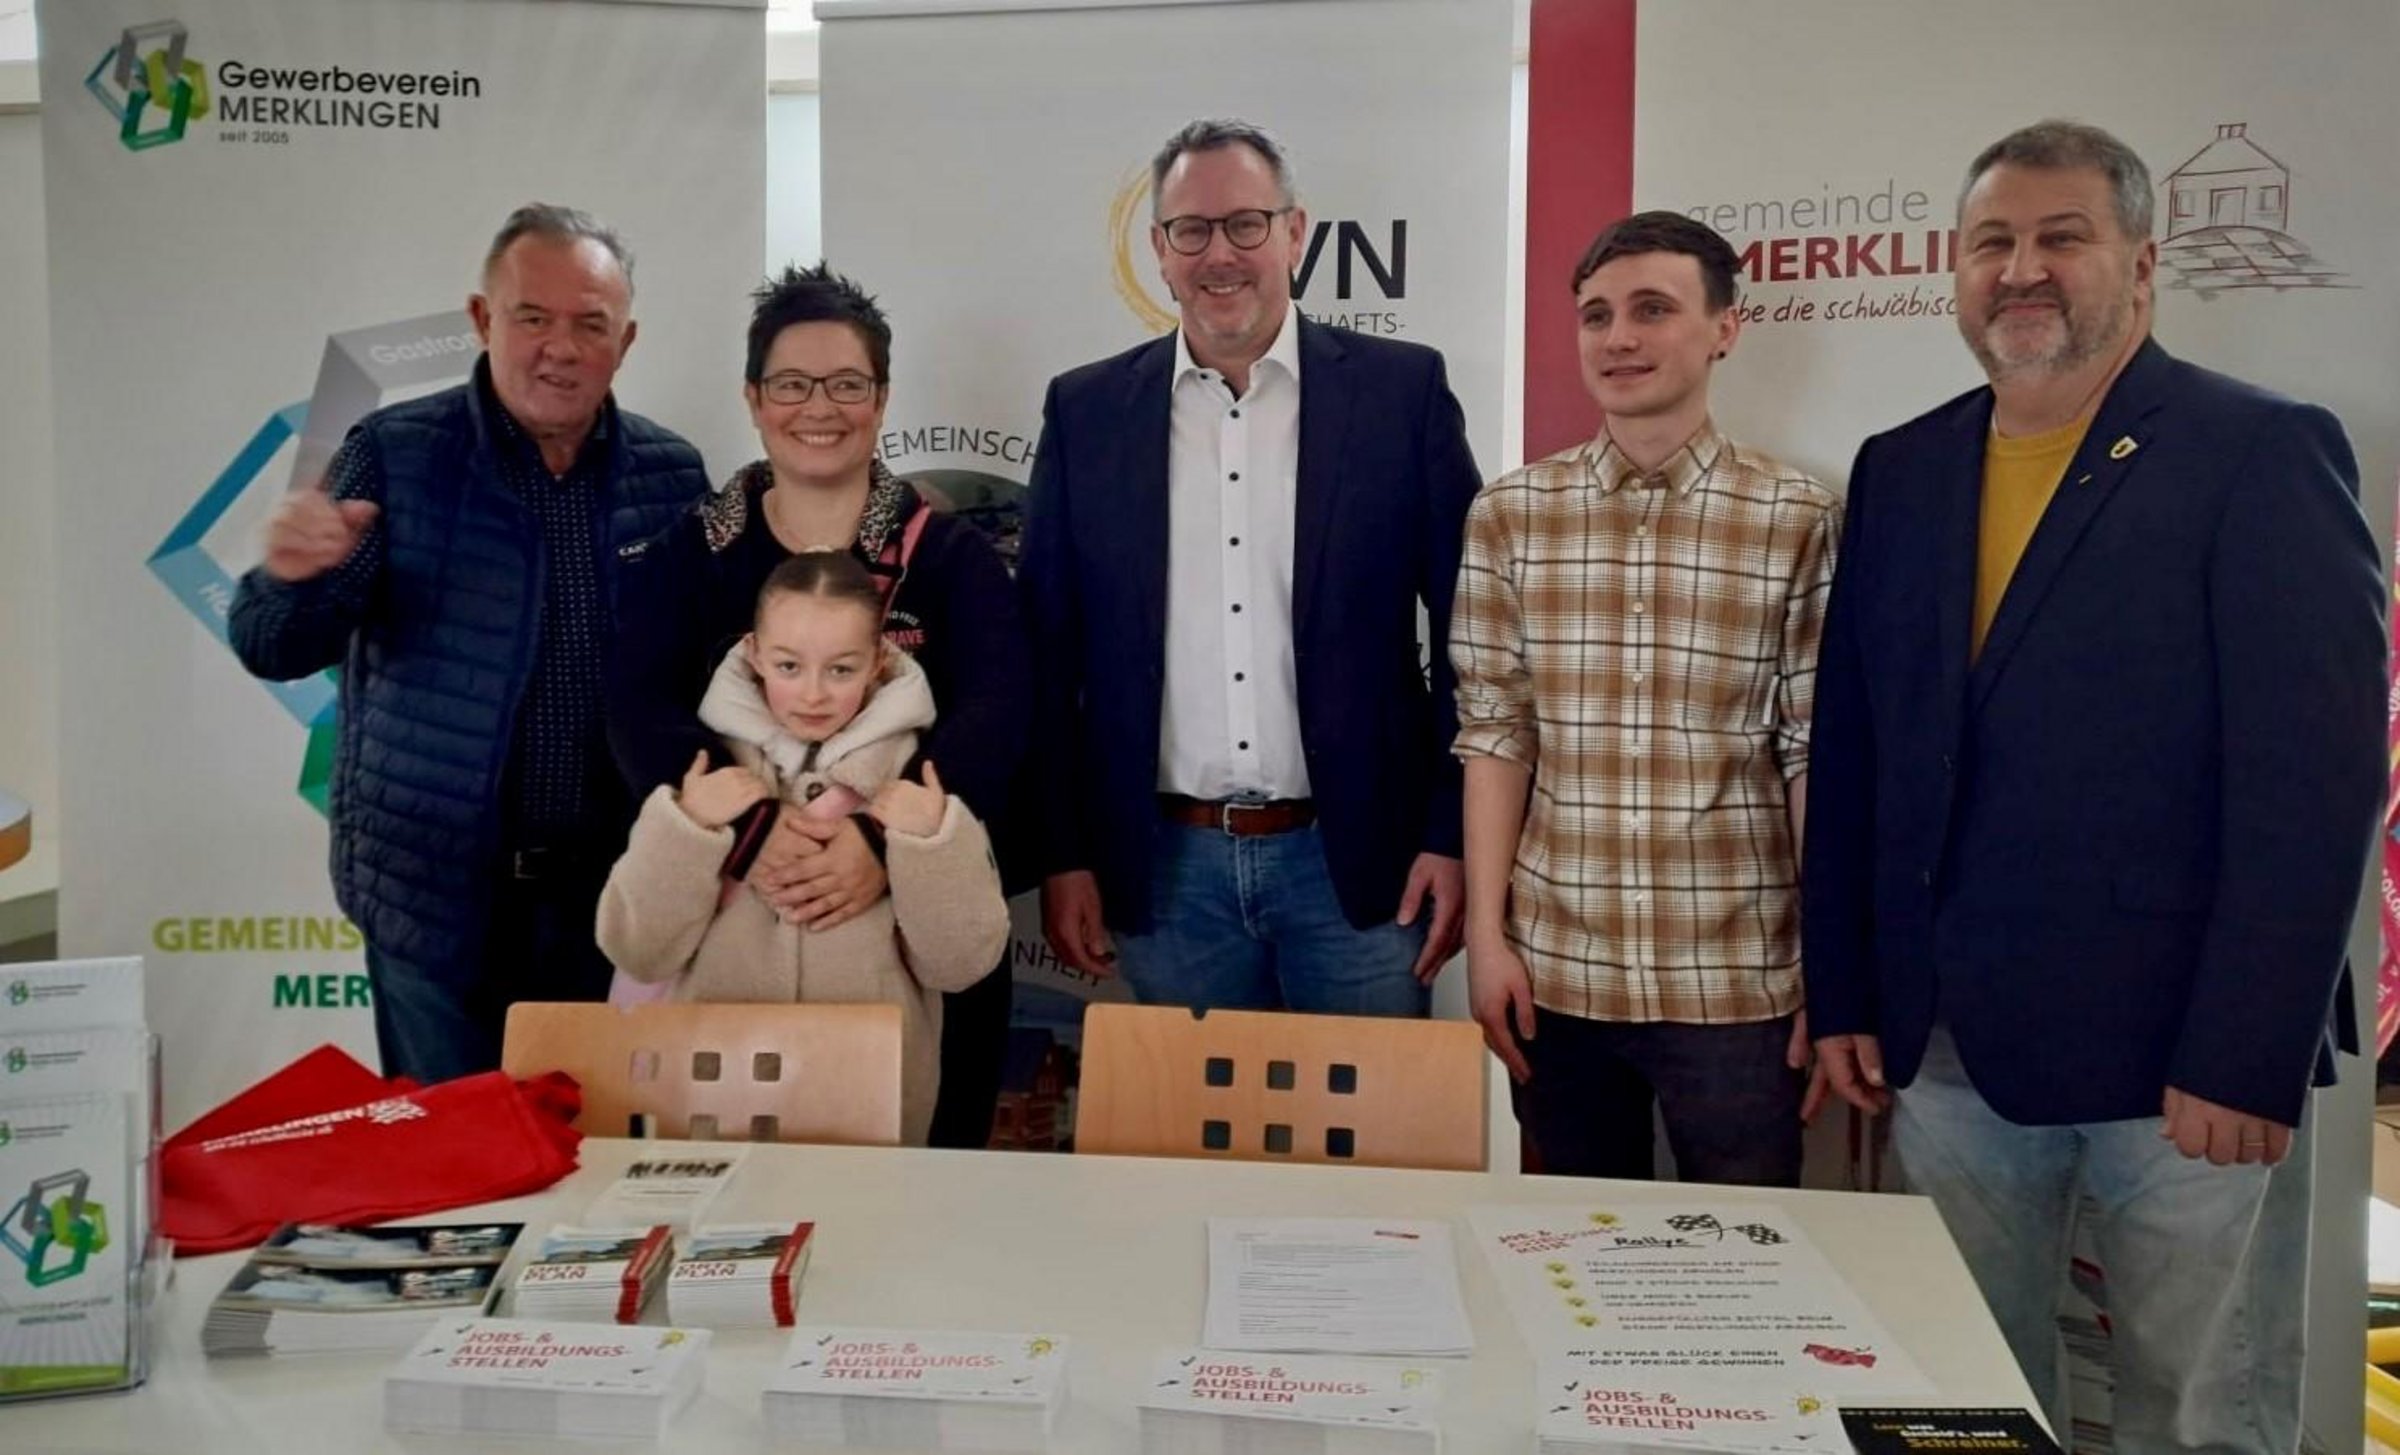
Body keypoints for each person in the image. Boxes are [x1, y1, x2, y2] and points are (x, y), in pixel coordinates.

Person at [1803, 120, 2382, 1453]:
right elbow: (1860, 750)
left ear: (2142, 260)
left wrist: (2245, 1053)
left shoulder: (2260, 450)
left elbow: (2316, 780)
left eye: (2062, 236)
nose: (2022, 268)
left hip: (2182, 1068)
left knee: (2198, 1412)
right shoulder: (1905, 465)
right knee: (1968, 1397)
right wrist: (1847, 985)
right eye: (1992, 241)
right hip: (1948, 1049)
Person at [229, 204, 707, 1083]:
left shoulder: (672, 474)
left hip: (606, 898)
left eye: (589, 324)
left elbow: (697, 671)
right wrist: (292, 578)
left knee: (588, 1169)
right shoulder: (396, 454)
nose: (559, 347)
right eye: (532, 317)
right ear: (483, 319)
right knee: (452, 1184)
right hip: (433, 896)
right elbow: (272, 644)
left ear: (625, 340)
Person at [1021, 118, 1481, 1014]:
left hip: (1360, 866)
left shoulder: (1400, 393)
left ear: (1295, 232)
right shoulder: (1086, 412)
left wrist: (1449, 829)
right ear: (1159, 249)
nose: (1218, 253)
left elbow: (1476, 630)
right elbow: (1048, 649)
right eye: (1191, 229)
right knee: (1192, 1147)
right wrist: (1064, 851)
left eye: (1246, 224)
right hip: (1164, 872)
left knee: (1372, 1141)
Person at [1452, 212, 1838, 1186]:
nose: (1618, 338)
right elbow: (1496, 736)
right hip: (1555, 979)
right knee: (1570, 1265)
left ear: (1724, 328)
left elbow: (1810, 751)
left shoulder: (1798, 515)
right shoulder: (1511, 514)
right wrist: (1488, 943)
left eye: (1652, 310)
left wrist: (1832, 965)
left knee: (1752, 1265)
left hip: (1738, 984)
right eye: (1596, 315)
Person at [606, 262, 1030, 1150]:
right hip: (725, 948)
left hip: (913, 946)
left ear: (881, 398)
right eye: (793, 384)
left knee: (920, 1219)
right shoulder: (693, 549)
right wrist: (753, 835)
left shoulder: (948, 554)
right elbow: (641, 712)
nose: (820, 407)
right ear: (755, 397)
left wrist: (881, 846)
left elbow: (996, 719)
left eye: (847, 384)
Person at [598, 552, 1009, 1146]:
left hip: (871, 1118)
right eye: (789, 666)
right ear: (753, 654)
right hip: (709, 1116)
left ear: (879, 664)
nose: (812, 694)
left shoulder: (917, 784)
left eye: (841, 670)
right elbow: (639, 951)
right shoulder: (702, 776)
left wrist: (931, 845)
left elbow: (960, 964)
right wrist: (686, 830)